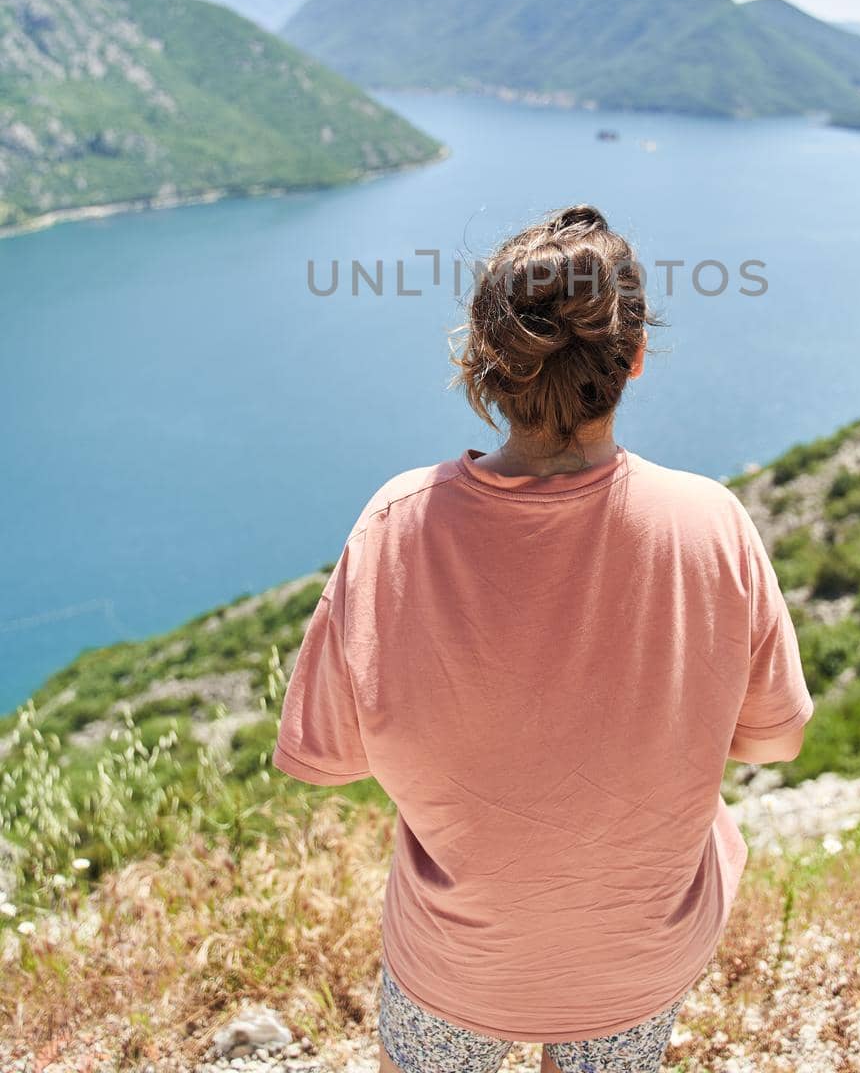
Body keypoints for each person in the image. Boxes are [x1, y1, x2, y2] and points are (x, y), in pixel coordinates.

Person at [273, 204, 814, 1073]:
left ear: (485, 366)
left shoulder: (394, 525)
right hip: (637, 961)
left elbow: (326, 753)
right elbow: (775, 740)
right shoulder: (711, 522)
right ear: (633, 360)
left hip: (454, 963)